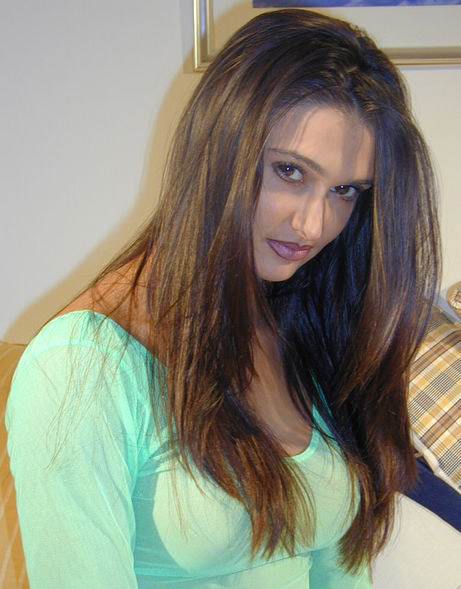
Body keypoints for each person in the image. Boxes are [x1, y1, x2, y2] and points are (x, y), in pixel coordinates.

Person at [5, 8, 440, 588]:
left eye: (344, 190)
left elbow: (344, 572)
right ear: (218, 152)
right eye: (290, 172)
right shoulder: (79, 366)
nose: (314, 225)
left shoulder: (306, 324)